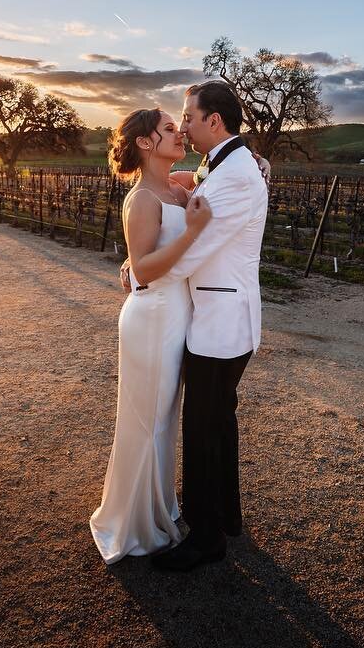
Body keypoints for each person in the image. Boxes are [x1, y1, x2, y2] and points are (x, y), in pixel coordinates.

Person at [147, 80, 269, 572]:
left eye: (190, 117)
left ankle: (206, 537)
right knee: (218, 421)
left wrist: (141, 271)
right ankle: (227, 517)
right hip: (222, 315)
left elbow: (195, 252)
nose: (187, 125)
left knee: (203, 427)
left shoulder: (236, 175)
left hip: (222, 321)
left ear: (214, 121)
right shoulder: (230, 165)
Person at [89, 108, 212, 564]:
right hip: (152, 317)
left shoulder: (178, 186)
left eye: (178, 127)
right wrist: (192, 233)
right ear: (144, 142)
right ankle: (134, 523)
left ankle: (159, 506)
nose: (178, 132)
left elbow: (212, 170)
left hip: (176, 314)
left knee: (163, 418)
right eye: (167, 129)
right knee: (146, 421)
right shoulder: (141, 199)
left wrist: (259, 164)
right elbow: (142, 269)